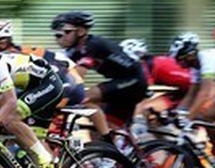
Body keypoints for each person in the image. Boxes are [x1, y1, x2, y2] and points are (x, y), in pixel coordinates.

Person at [52, 10, 146, 140]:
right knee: (101, 129)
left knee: (84, 99)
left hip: (134, 80)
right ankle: (119, 153)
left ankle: (109, 143)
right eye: (58, 34)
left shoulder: (92, 45)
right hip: (122, 81)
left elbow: (76, 77)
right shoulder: (74, 50)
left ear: (81, 32)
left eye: (67, 32)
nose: (61, 37)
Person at [124, 38, 194, 138]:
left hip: (193, 90)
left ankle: (182, 140)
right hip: (183, 90)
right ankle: (164, 144)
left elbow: (141, 95)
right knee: (152, 118)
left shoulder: (146, 66)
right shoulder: (149, 62)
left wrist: (136, 118)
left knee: (145, 110)